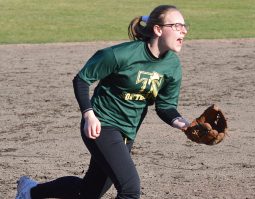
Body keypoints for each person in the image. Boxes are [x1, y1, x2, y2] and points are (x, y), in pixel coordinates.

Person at [16, 4, 189, 199]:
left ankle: (31, 191)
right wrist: (89, 115)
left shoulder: (172, 65)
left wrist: (183, 124)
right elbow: (82, 79)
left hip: (128, 131)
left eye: (184, 26)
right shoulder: (121, 54)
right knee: (130, 189)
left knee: (89, 191)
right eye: (176, 25)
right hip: (101, 125)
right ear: (158, 29)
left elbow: (165, 106)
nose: (183, 31)